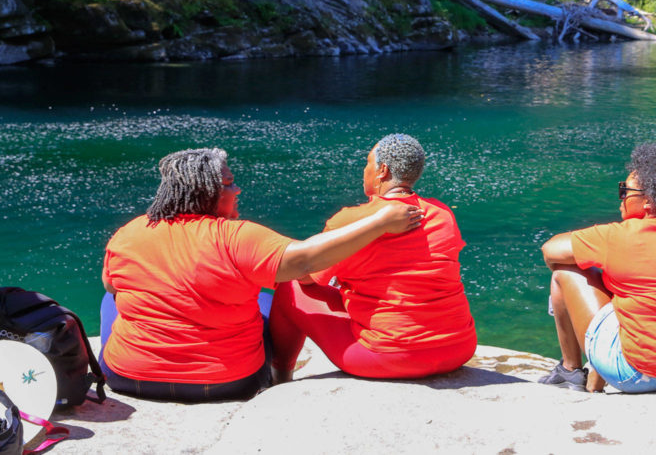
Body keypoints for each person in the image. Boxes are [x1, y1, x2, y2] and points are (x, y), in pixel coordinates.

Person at [100, 147, 421, 402]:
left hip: (127, 378)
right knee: (274, 299)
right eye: (229, 183)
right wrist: (380, 222)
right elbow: (304, 263)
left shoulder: (129, 233)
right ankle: (280, 378)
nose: (237, 189)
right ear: (205, 191)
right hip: (227, 382)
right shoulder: (236, 237)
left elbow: (111, 285)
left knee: (110, 299)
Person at [269, 133, 476, 381]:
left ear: (382, 171)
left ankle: (279, 378)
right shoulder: (442, 214)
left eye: (368, 163)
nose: (364, 170)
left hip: (390, 357)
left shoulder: (351, 219)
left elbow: (306, 278)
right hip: (459, 348)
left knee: (289, 286)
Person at [539, 143, 656, 393]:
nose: (622, 196)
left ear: (647, 201)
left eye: (625, 190)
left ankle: (570, 371)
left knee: (567, 271)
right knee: (636, 292)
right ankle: (595, 374)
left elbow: (550, 251)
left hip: (639, 375)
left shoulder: (619, 236)